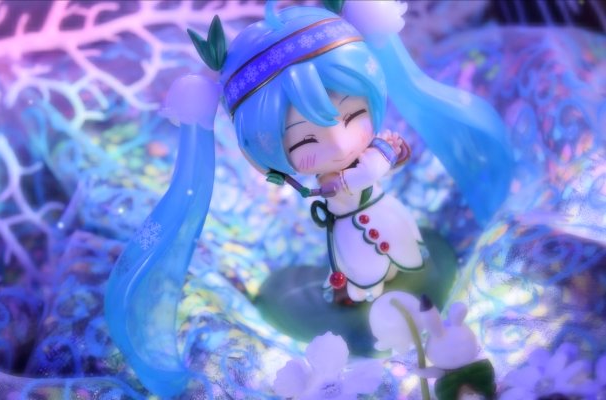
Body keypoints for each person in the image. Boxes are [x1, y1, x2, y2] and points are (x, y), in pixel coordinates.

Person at [105, 1, 512, 396]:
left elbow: (394, 151)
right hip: (348, 232)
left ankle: (398, 288)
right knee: (362, 274)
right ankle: (367, 304)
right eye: (306, 140)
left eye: (352, 117)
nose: (339, 143)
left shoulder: (373, 154)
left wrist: (372, 167)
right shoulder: (314, 179)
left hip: (386, 215)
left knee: (406, 252)